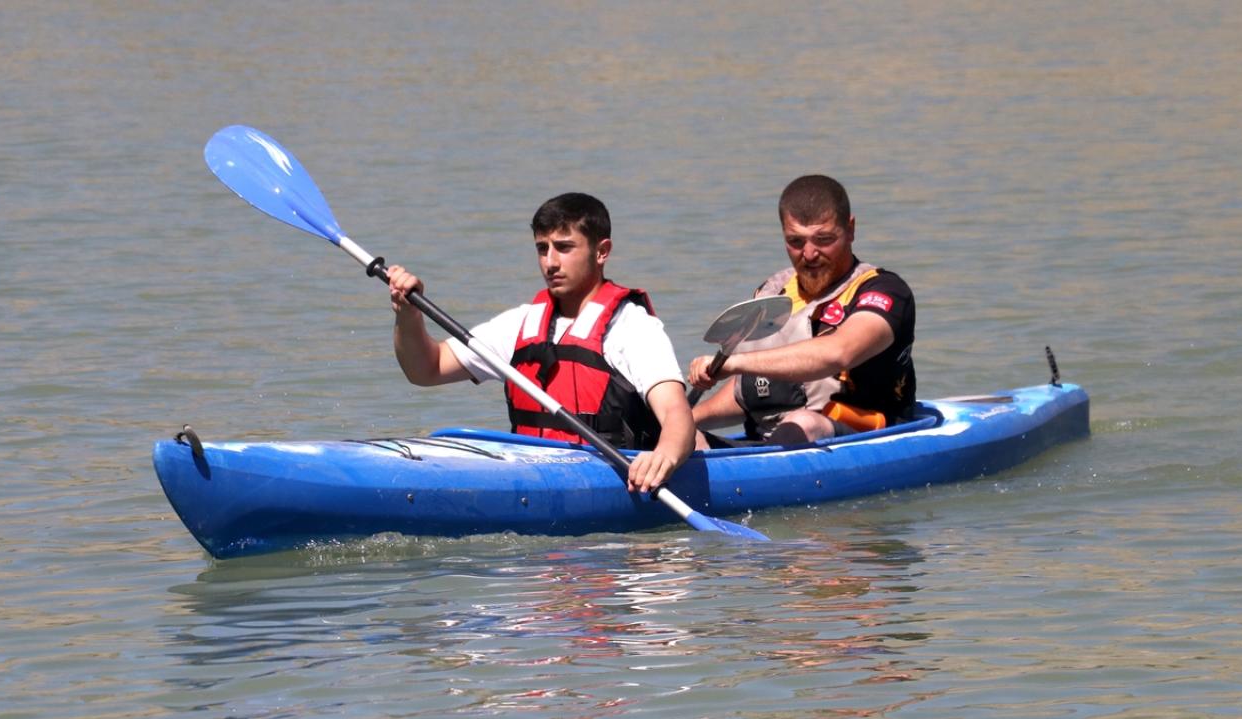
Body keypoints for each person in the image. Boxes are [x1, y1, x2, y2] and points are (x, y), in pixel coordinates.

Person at [387, 192, 695, 493]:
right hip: (532, 477)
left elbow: (674, 411)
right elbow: (426, 369)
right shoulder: (520, 324)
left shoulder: (632, 327)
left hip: (617, 479)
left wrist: (664, 457)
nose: (550, 262)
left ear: (602, 251)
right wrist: (408, 314)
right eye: (542, 248)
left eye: (564, 248)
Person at [688, 175, 916, 447]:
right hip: (773, 443)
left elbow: (839, 352)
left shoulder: (884, 291)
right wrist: (685, 420)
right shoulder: (772, 292)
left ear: (850, 229)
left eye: (824, 239)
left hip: (862, 436)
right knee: (683, 436)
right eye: (796, 241)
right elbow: (751, 389)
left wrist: (733, 363)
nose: (809, 254)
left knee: (803, 422)